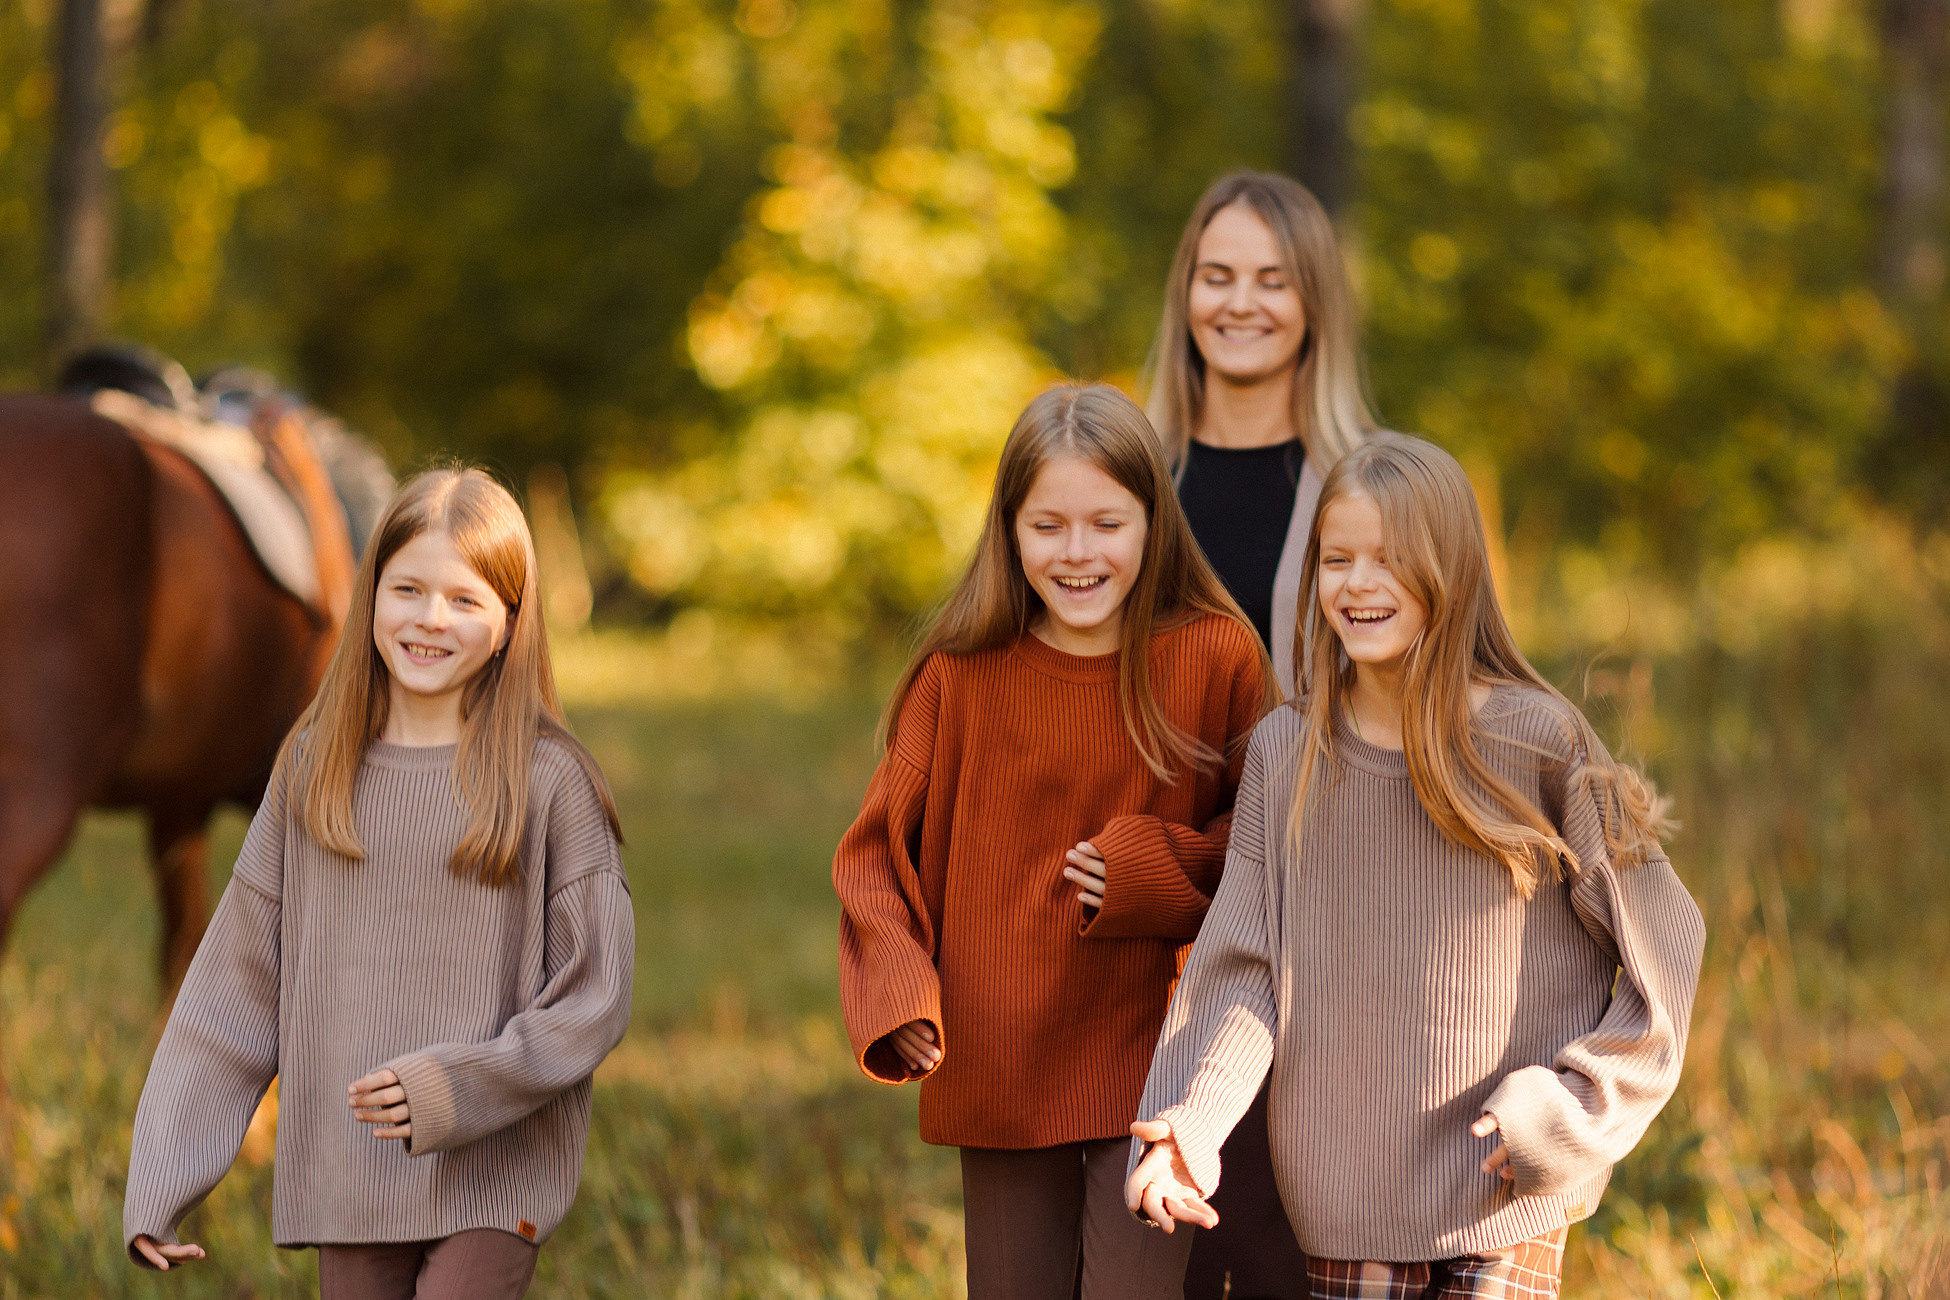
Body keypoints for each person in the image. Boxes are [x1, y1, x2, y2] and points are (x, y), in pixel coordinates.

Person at [1125, 433, 1705, 1299]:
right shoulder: (1289, 752)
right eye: (1337, 559)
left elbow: (1666, 947)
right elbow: (1243, 972)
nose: (1359, 584)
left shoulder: (1537, 740)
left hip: (1505, 1188)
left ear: (1453, 571)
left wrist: (1571, 1110)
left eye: (1392, 560)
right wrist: (1185, 1128)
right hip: (1345, 1195)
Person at [123, 467, 635, 1300]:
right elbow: (234, 989)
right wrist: (163, 1177)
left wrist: (457, 1088)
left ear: (510, 623)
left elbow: (594, 997)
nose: (431, 619)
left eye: (466, 600)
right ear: (370, 602)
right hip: (347, 1173)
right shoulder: (313, 768)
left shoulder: (550, 781)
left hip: (493, 1176)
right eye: (408, 590)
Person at [833, 383, 1271, 1300]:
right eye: (1049, 527)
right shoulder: (958, 678)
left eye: (1107, 523)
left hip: (1160, 1051)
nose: (1078, 554)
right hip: (1001, 1058)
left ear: (1153, 521)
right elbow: (874, 856)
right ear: (1010, 531)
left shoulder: (1215, 654)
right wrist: (903, 992)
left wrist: (1153, 873)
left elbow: (1269, 849)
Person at [1144, 168, 1374, 1297]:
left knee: (1280, 1233)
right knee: (1156, 1222)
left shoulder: (1361, 485)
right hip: (1141, 909)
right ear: (1185, 292)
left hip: (1309, 901)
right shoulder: (1130, 478)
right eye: (1217, 274)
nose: (1242, 302)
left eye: (1273, 280)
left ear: (1314, 304)